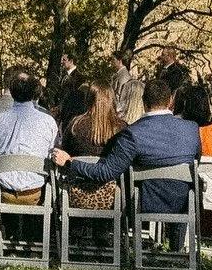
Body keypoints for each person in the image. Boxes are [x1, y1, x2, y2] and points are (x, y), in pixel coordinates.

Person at [52, 79, 201, 226]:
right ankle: (178, 249)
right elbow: (196, 163)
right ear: (170, 101)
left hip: (144, 204)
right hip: (185, 202)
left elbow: (107, 171)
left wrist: (70, 162)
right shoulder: (192, 129)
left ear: (143, 102)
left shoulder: (132, 133)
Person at [0, 69, 58, 204]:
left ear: (12, 92)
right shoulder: (48, 121)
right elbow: (52, 153)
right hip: (34, 192)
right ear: (34, 93)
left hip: (3, 192)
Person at [62, 82, 127, 210]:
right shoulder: (122, 128)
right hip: (111, 196)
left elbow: (65, 153)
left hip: (76, 194)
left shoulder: (75, 125)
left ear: (88, 100)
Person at [111, 52, 143, 124]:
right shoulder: (119, 74)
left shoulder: (124, 76)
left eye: (113, 59)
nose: (111, 62)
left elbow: (121, 95)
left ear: (119, 61)